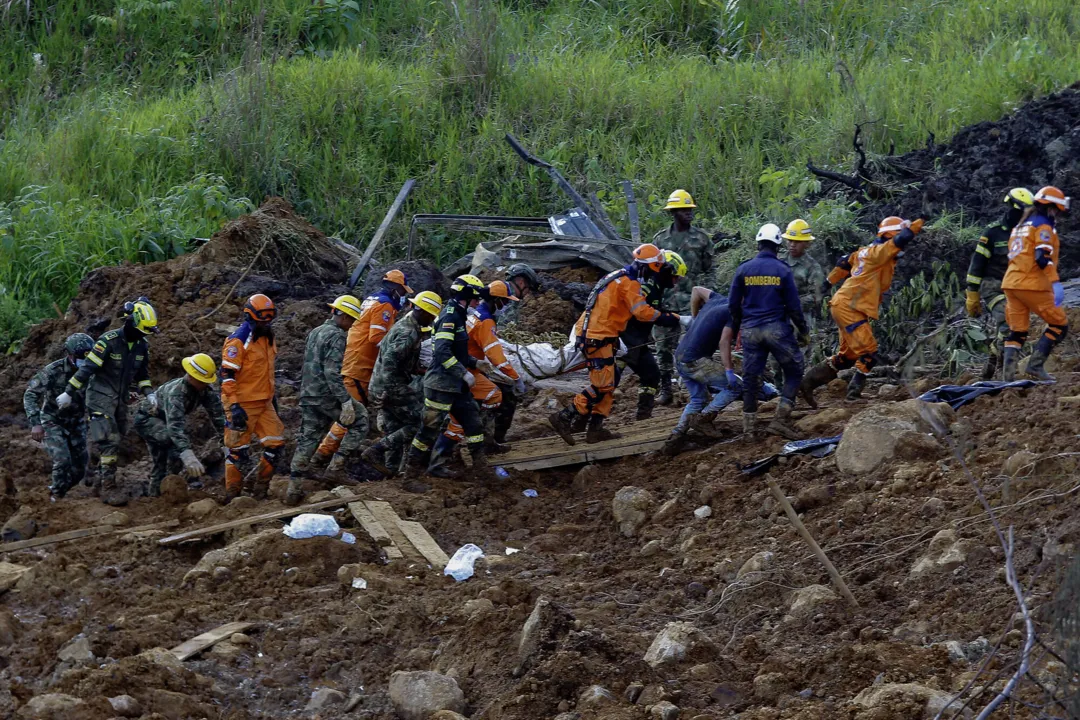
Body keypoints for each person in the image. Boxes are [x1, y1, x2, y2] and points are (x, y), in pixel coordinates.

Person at [548, 244, 684, 445]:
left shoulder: (616, 275)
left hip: (599, 334)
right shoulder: (630, 283)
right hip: (597, 336)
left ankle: (594, 430)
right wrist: (675, 318)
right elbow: (643, 313)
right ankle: (565, 416)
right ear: (650, 266)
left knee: (608, 384)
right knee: (603, 386)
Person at [800, 216, 923, 405]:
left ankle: (807, 383)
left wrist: (826, 284)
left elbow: (844, 263)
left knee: (847, 357)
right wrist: (921, 219)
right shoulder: (880, 252)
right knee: (868, 353)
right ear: (890, 236)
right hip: (850, 307)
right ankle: (853, 395)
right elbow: (902, 239)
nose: (901, 249)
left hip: (845, 305)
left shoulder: (865, 252)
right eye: (896, 239)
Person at [58, 298, 158, 505]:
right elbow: (87, 370)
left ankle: (93, 474)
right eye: (141, 330)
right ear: (131, 322)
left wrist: (149, 393)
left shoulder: (141, 346)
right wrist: (69, 392)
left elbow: (142, 375)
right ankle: (108, 488)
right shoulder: (107, 342)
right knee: (110, 440)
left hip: (119, 400)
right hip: (99, 397)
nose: (143, 335)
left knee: (116, 437)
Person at [403, 275, 492, 492]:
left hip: (456, 386)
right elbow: (441, 351)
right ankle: (409, 477)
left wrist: (474, 363)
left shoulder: (459, 315)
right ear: (467, 296)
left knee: (474, 425)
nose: (478, 302)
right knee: (428, 431)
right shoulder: (450, 316)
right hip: (441, 386)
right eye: (475, 298)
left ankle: (482, 472)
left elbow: (455, 351)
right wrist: (463, 372)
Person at [431, 281, 525, 476]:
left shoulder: (475, 315)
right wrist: (515, 378)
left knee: (459, 420)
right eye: (505, 302)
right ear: (497, 300)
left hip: (464, 366)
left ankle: (447, 456)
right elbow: (495, 355)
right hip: (464, 370)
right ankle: (485, 439)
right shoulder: (485, 321)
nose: (506, 306)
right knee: (494, 396)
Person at [723, 224, 808, 438]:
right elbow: (794, 308)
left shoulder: (743, 269)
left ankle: (748, 430)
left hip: (751, 331)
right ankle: (780, 420)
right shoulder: (783, 270)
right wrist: (804, 331)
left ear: (758, 244)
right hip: (777, 330)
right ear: (778, 245)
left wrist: (741, 325)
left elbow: (733, 304)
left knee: (751, 378)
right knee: (795, 370)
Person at [286, 295, 365, 506]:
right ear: (343, 316)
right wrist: (345, 401)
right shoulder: (337, 336)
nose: (352, 325)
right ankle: (335, 469)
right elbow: (331, 372)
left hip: (308, 394)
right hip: (326, 395)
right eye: (352, 320)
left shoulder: (316, 331)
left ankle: (293, 490)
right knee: (361, 419)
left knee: (308, 439)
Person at [332, 270, 413, 467]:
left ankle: (334, 452)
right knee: (349, 415)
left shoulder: (373, 299)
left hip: (357, 358)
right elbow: (376, 337)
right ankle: (327, 456)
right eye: (402, 292)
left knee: (353, 412)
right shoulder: (384, 305)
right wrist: (400, 348)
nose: (403, 297)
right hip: (360, 363)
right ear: (395, 289)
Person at [362, 291, 443, 479]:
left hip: (382, 385)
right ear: (422, 312)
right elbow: (390, 362)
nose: (431, 321)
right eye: (431, 316)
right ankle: (376, 450)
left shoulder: (405, 326)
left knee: (393, 426)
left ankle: (390, 470)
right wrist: (390, 392)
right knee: (421, 422)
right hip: (391, 386)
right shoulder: (409, 333)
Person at [1001, 186, 1070, 381]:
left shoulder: (1020, 226)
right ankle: (1035, 366)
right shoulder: (1043, 227)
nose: (1058, 215)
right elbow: (1042, 257)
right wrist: (1055, 282)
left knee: (1018, 331)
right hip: (1031, 284)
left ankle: (1008, 378)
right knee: (1059, 324)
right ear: (1051, 207)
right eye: (1057, 210)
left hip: (1011, 283)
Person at [964, 188, 1034, 379]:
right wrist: (972, 294)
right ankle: (1007, 375)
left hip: (1018, 287)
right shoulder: (993, 233)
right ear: (1011, 208)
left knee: (1016, 329)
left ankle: (992, 365)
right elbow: (977, 265)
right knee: (1009, 321)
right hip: (994, 286)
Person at [652, 189, 713, 405]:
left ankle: (698, 390)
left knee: (696, 348)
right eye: (684, 210)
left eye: (690, 209)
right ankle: (666, 390)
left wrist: (708, 299)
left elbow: (709, 271)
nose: (689, 213)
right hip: (665, 302)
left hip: (692, 304)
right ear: (673, 213)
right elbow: (652, 271)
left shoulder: (702, 239)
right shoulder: (660, 239)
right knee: (663, 349)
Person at [221, 294, 284, 502]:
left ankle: (260, 490)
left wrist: (272, 398)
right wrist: (234, 406)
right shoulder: (238, 341)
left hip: (264, 401)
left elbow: (267, 371)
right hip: (242, 402)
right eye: (262, 319)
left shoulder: (268, 337)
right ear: (251, 316)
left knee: (275, 445)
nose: (266, 323)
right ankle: (233, 496)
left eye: (269, 318)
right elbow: (227, 376)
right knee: (238, 450)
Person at [133, 353, 225, 497]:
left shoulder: (205, 391)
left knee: (173, 452)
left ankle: (169, 488)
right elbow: (174, 427)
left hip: (166, 421)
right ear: (192, 376)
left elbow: (218, 416)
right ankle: (156, 496)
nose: (205, 384)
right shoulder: (176, 393)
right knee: (170, 447)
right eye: (202, 380)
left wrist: (226, 440)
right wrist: (187, 454)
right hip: (148, 419)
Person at [663, 289, 740, 453]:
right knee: (737, 386)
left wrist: (694, 318)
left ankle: (674, 440)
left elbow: (696, 290)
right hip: (695, 361)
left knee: (698, 399)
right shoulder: (734, 312)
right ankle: (703, 418)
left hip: (681, 356)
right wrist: (728, 371)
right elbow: (724, 342)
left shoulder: (717, 299)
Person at [617, 250, 686, 421]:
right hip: (623, 342)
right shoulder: (646, 288)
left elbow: (656, 312)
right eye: (675, 277)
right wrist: (673, 318)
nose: (676, 281)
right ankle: (583, 418)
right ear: (665, 272)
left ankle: (643, 416)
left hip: (637, 342)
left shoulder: (656, 288)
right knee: (607, 383)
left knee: (651, 375)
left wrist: (677, 319)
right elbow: (644, 313)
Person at [25, 333, 95, 499]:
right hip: (52, 421)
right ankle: (55, 497)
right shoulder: (53, 371)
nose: (82, 362)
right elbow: (30, 395)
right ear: (69, 355)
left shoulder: (92, 371)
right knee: (63, 460)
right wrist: (36, 423)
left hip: (77, 422)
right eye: (79, 358)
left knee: (80, 468)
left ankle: (59, 492)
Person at [492, 263, 540, 443]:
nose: (527, 293)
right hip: (492, 357)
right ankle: (495, 440)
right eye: (527, 287)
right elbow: (503, 337)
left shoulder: (500, 295)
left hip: (488, 354)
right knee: (506, 399)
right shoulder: (507, 301)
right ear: (520, 281)